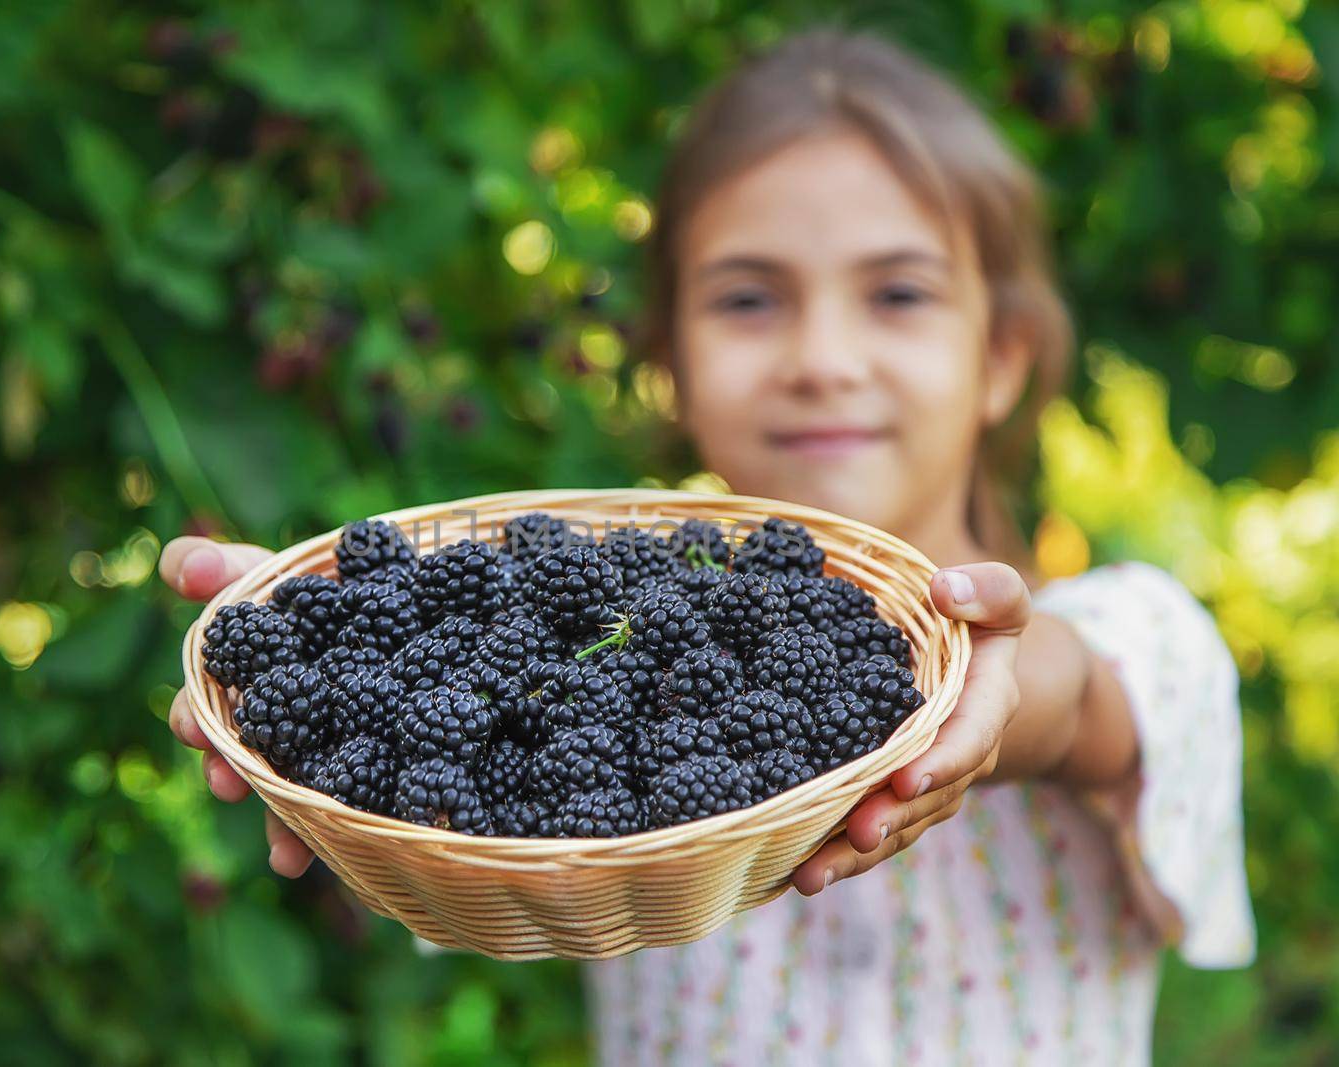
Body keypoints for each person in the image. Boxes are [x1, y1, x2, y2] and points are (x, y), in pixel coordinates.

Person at [158, 29, 1253, 1066]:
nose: (822, 357)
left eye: (898, 293)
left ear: (1005, 354)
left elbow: (1063, 693)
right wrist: (331, 663)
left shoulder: (1132, 630)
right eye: (748, 298)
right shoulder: (620, 638)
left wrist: (988, 681)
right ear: (668, 356)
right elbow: (480, 796)